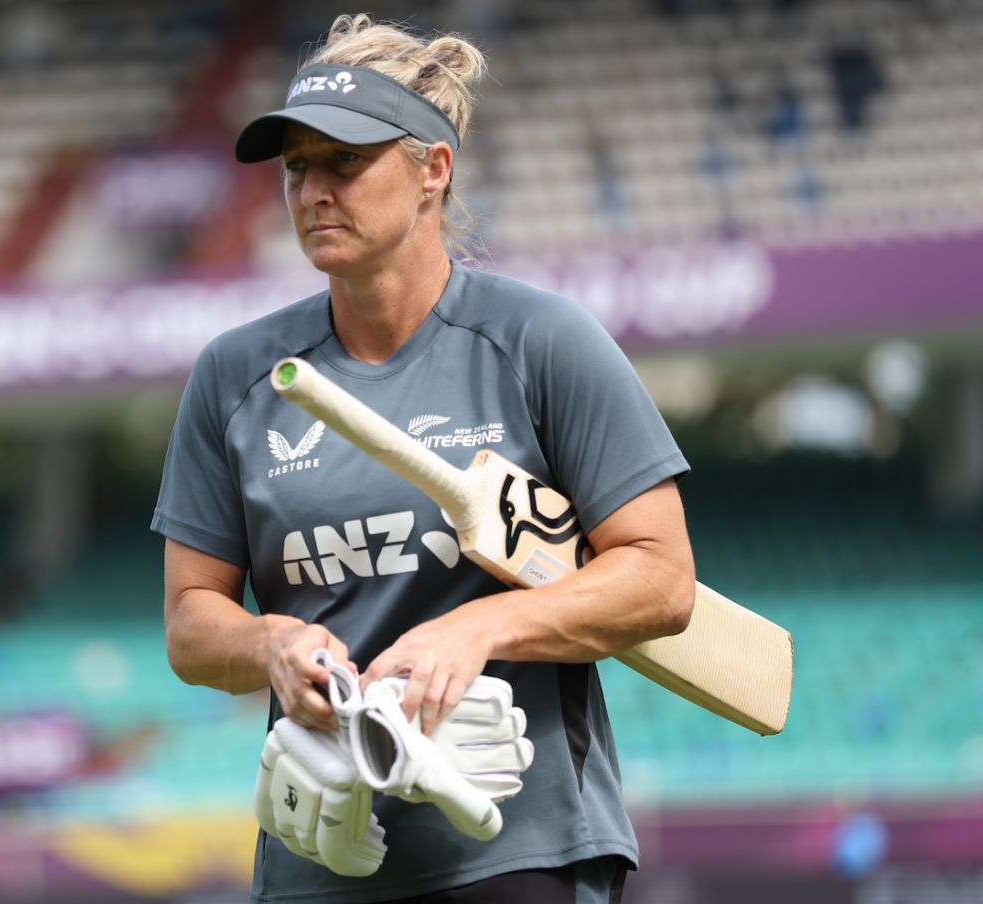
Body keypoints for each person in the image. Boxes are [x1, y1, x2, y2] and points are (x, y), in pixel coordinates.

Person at [152, 14, 696, 904]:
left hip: (518, 848)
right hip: (320, 855)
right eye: (296, 169)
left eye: (344, 162)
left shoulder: (542, 342)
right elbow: (189, 623)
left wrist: (477, 629)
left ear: (432, 170)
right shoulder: (236, 376)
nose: (313, 192)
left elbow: (662, 579)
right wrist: (273, 642)